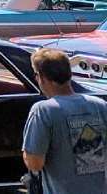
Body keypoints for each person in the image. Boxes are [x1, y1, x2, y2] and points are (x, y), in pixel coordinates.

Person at [22, 48, 107, 194]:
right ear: (69, 74)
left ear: (41, 77)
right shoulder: (100, 105)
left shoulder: (43, 110)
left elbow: (35, 163)